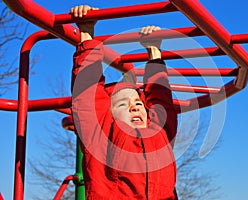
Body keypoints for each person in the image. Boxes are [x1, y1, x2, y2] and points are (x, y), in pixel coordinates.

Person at [70, 5, 178, 200]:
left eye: (138, 102)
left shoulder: (161, 132)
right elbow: (87, 93)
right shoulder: (101, 136)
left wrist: (154, 52)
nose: (134, 106)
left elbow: (161, 98)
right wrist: (86, 34)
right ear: (107, 115)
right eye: (122, 104)